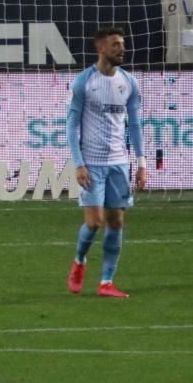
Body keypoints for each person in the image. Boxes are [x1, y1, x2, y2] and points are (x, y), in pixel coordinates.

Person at [66, 27, 147, 299]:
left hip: (119, 164)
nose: (121, 49)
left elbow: (135, 125)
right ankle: (79, 261)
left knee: (116, 222)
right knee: (94, 222)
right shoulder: (84, 82)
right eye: (115, 45)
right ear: (101, 49)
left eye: (122, 44)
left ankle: (106, 282)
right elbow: (71, 126)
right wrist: (78, 163)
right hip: (92, 163)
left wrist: (141, 163)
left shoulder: (129, 82)